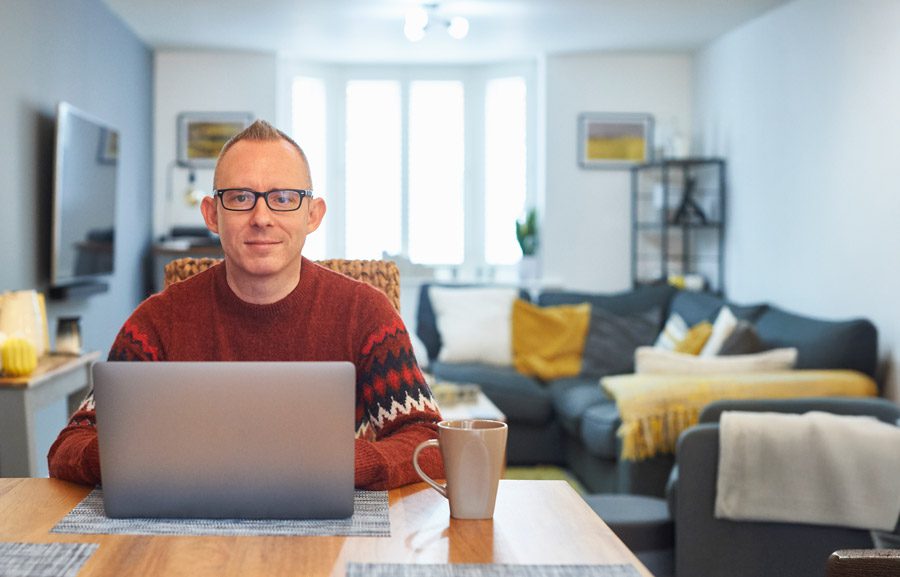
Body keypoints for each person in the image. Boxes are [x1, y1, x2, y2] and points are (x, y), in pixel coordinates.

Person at [48, 119, 444, 490]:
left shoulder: (366, 314)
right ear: (212, 214)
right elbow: (70, 445)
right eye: (240, 197)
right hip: (188, 540)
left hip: (330, 539)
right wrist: (139, 458)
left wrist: (341, 464)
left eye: (283, 198)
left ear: (312, 214)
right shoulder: (157, 322)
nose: (261, 217)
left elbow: (430, 443)